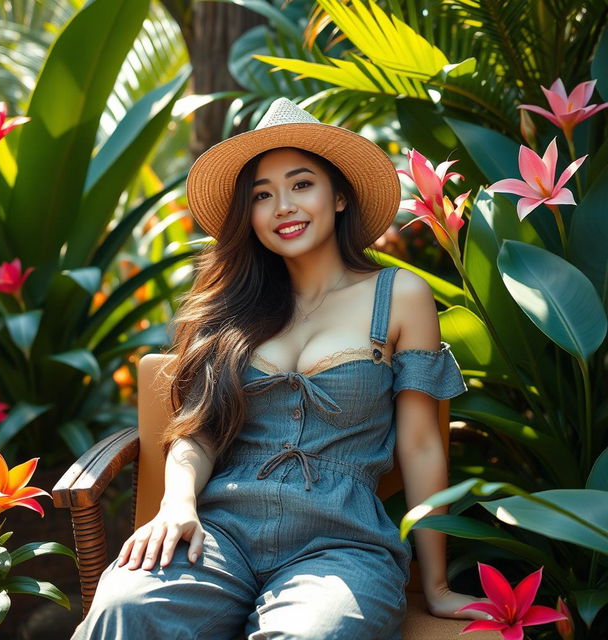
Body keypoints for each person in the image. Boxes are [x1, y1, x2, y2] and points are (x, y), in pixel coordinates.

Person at [71, 97, 486, 639]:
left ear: (339, 195)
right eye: (262, 195)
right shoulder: (233, 306)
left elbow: (421, 446)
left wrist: (434, 582)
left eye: (301, 184)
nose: (283, 206)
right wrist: (177, 504)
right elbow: (199, 433)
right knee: (126, 607)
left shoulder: (399, 295)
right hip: (220, 532)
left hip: (343, 544)